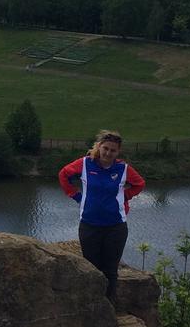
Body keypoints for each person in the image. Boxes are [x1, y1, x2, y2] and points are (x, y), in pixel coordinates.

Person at [58, 130, 145, 305]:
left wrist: (125, 197)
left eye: (113, 150)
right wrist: (76, 196)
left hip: (116, 227)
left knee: (110, 270)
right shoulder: (85, 164)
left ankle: (109, 306)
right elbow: (63, 175)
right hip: (89, 225)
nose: (108, 153)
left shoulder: (123, 169)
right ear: (99, 147)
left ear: (118, 152)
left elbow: (139, 184)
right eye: (105, 148)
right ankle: (92, 305)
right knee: (91, 268)